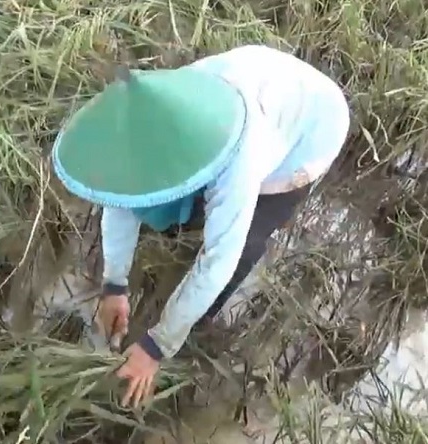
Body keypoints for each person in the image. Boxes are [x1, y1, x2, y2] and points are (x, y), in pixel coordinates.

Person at [51, 45, 351, 408]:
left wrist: (157, 345)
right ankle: (184, 274)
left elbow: (219, 258)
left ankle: (200, 319)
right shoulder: (153, 119)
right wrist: (114, 284)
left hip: (311, 128)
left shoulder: (239, 157)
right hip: (260, 77)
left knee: (245, 240)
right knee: (188, 212)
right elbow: (121, 201)